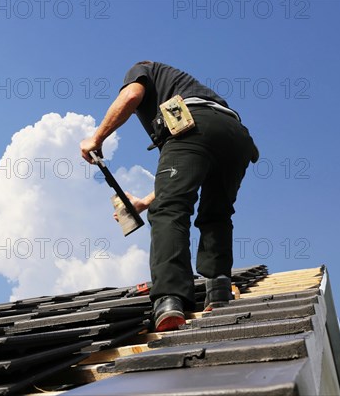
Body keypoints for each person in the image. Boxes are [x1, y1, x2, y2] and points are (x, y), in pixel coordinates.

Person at [80, 61, 258, 332]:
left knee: (168, 210)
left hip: (191, 121)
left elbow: (130, 96)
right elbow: (185, 173)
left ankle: (169, 299)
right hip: (235, 136)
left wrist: (97, 138)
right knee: (216, 214)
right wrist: (142, 202)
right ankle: (219, 289)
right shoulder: (184, 86)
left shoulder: (142, 69)